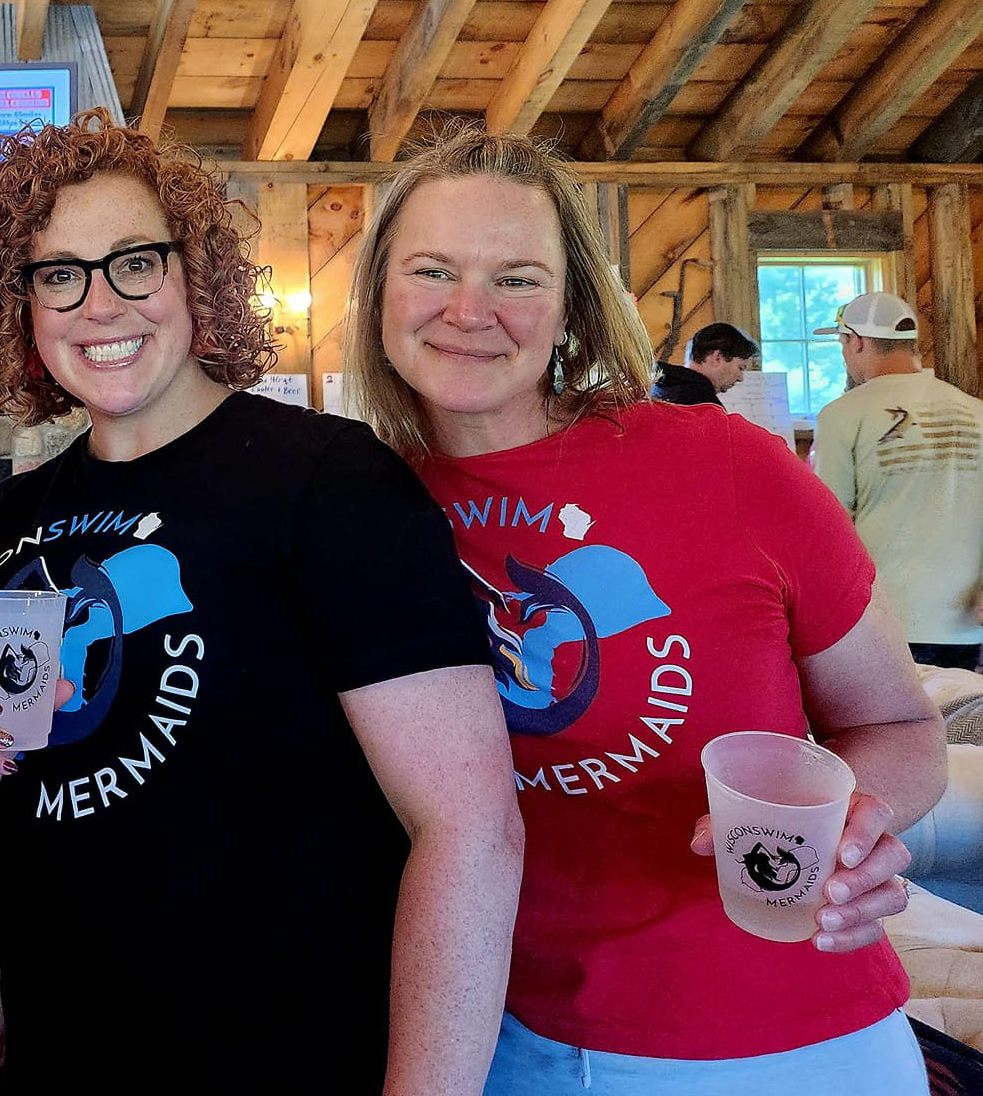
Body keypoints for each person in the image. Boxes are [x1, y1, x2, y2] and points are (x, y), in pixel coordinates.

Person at [0, 111, 524, 1093]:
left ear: (193, 275)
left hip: (290, 1061)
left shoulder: (328, 483)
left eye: (133, 262)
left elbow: (468, 827)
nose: (97, 302)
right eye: (58, 273)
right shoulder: (6, 518)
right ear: (24, 307)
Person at [344, 125, 946, 1094]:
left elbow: (898, 723)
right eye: (430, 269)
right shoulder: (354, 510)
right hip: (501, 1043)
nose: (469, 309)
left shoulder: (726, 466)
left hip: (790, 1042)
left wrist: (853, 823)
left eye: (515, 277)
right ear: (376, 294)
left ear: (570, 302)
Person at [812, 291, 983, 673]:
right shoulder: (976, 413)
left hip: (885, 618)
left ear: (857, 341)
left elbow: (830, 524)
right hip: (967, 623)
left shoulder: (842, 415)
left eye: (842, 343)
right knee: (962, 727)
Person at [652, 321, 758, 406]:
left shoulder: (659, 387)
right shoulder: (704, 404)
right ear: (717, 358)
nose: (740, 378)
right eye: (740, 368)